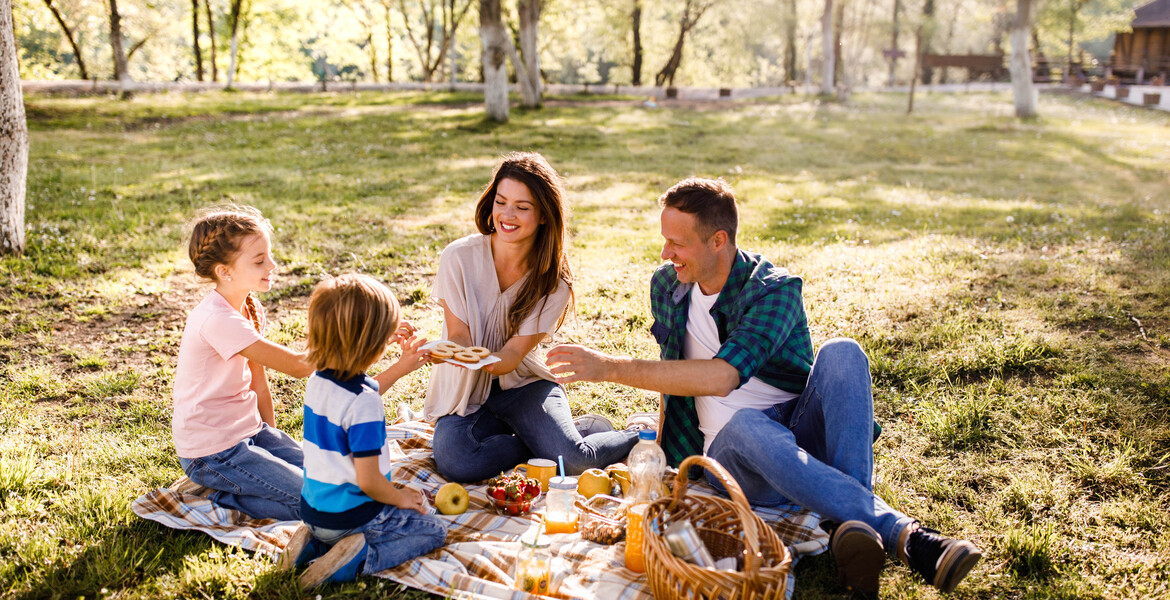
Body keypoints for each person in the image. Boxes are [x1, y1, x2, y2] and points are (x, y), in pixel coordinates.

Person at [546, 178, 982, 595]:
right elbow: (672, 371)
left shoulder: (773, 290)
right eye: (665, 240)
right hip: (734, 459)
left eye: (677, 243)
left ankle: (850, 525)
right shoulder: (668, 285)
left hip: (799, 436)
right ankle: (903, 535)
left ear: (718, 240)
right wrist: (661, 448)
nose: (666, 253)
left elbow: (722, 377)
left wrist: (608, 367)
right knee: (747, 423)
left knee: (843, 352)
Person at [424, 152, 639, 483]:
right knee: (456, 461)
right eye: (501, 202)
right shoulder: (459, 257)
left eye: (522, 207)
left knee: (574, 462)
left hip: (524, 385)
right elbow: (459, 335)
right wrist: (450, 352)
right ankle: (546, 441)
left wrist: (482, 360)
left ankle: (639, 432)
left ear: (543, 215)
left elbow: (511, 357)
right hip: (466, 392)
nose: (507, 215)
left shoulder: (554, 281)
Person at [281, 273, 447, 588]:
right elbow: (370, 481)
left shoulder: (318, 381)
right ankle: (355, 558)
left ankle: (311, 543)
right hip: (353, 517)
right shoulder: (365, 403)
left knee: (332, 527)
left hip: (315, 512)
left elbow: (359, 392)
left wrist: (398, 362)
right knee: (433, 530)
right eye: (383, 337)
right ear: (370, 343)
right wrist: (399, 497)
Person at [171, 205, 315, 521]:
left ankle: (247, 484)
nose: (272, 265)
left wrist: (271, 441)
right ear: (225, 272)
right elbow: (299, 366)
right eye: (259, 260)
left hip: (250, 433)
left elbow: (258, 382)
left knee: (330, 480)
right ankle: (221, 497)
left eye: (269, 256)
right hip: (213, 453)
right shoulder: (217, 319)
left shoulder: (249, 307)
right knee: (316, 504)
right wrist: (363, 333)